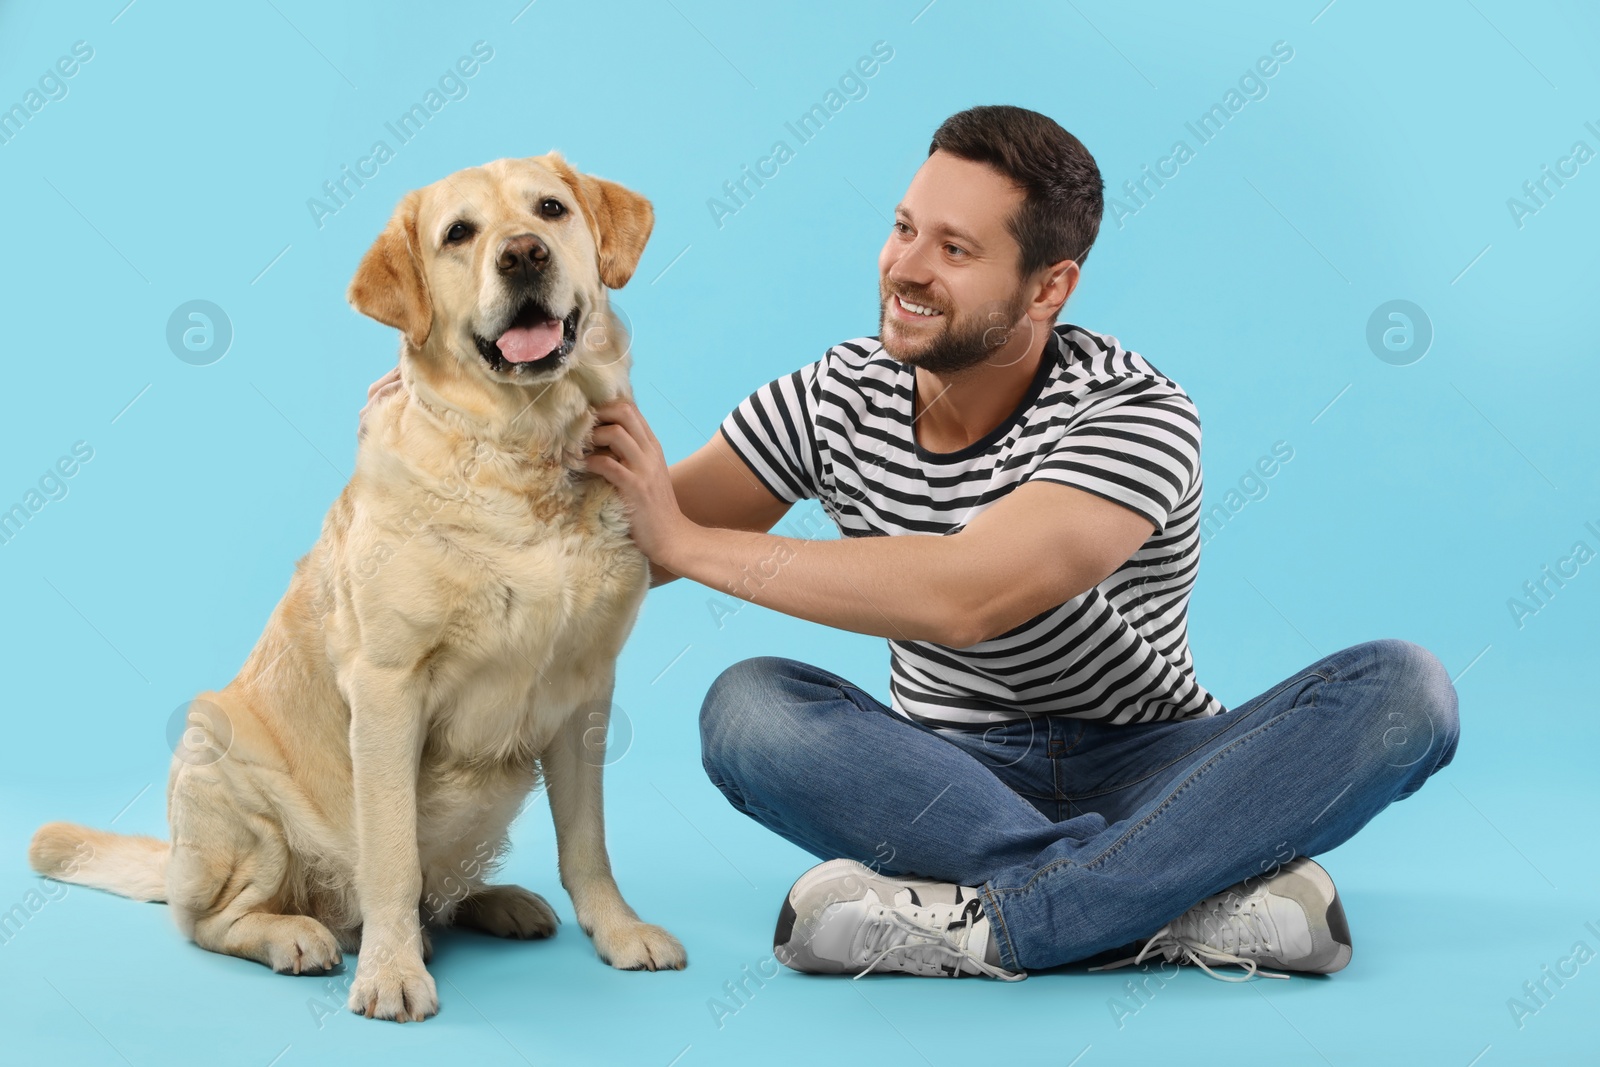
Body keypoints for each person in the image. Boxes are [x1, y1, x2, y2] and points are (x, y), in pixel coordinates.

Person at [361, 105, 1460, 983]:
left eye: (955, 248)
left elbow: (968, 595)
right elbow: (613, 537)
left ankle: (1001, 917)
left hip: (1153, 763)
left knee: (1403, 690)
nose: (906, 266)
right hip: (940, 774)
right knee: (747, 706)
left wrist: (691, 543)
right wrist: (447, 420)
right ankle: (1172, 902)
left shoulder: (1134, 409)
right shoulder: (835, 392)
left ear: (1049, 288)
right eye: (902, 227)